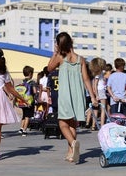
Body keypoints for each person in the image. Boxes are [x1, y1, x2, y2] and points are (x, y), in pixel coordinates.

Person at [47, 32, 97, 164]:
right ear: (71, 42)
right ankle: (71, 153)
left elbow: (49, 68)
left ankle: (73, 143)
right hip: (78, 95)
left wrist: (54, 53)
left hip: (65, 95)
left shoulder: (60, 58)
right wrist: (92, 97)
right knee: (72, 124)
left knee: (63, 124)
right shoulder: (81, 59)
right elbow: (86, 79)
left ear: (59, 44)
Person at [18, 65, 37, 137]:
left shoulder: (23, 81)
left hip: (23, 101)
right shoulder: (32, 82)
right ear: (30, 74)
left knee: (24, 115)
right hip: (29, 101)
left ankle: (21, 128)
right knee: (28, 116)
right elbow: (34, 91)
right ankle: (24, 130)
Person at [89, 57, 107, 129]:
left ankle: (94, 125)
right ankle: (102, 125)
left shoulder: (98, 74)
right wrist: (96, 95)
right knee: (103, 109)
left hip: (99, 91)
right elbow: (95, 85)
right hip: (101, 91)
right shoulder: (99, 74)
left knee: (96, 109)